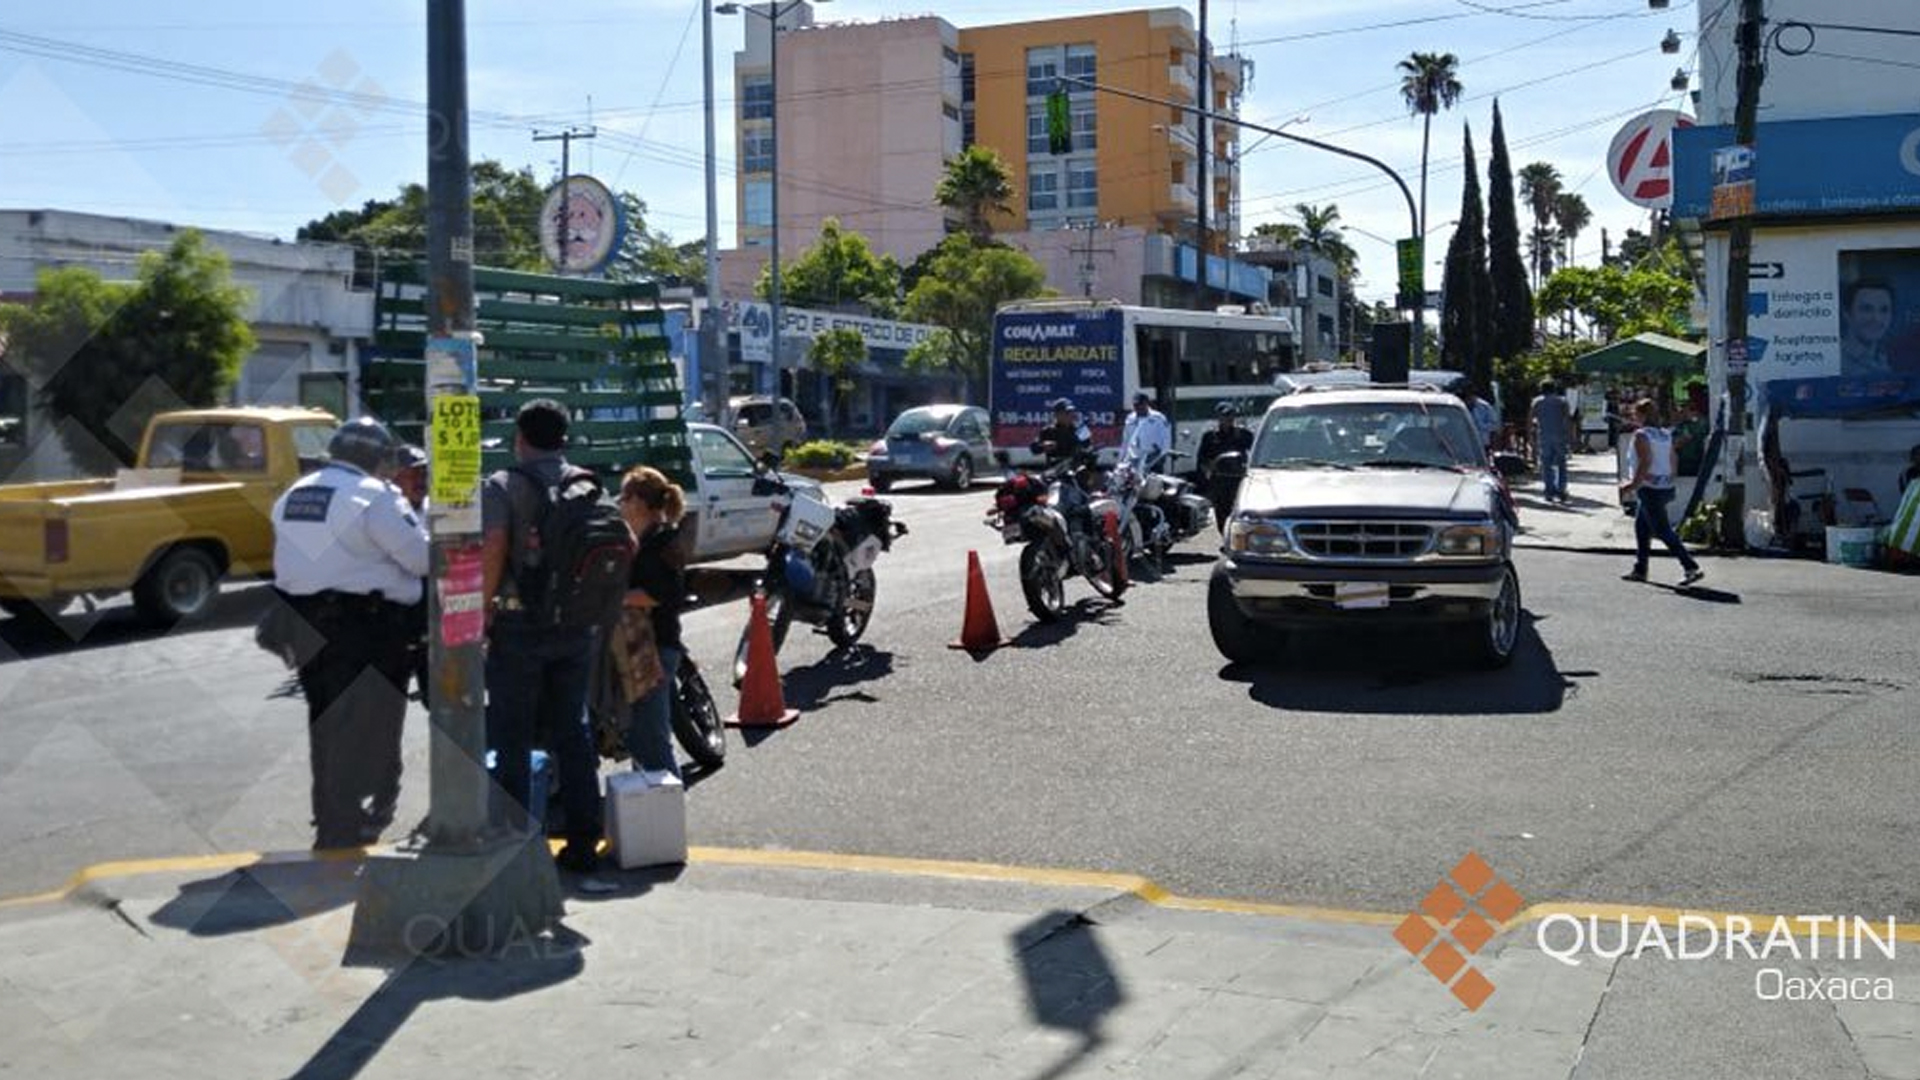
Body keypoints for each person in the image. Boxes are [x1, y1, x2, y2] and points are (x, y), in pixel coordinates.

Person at [270, 418, 428, 849]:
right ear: (376, 458)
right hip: (364, 627)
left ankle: (331, 819)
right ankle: (347, 825)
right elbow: (420, 559)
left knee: (326, 725)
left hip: (305, 624)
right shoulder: (373, 495)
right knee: (367, 727)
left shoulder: (296, 493)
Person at [481, 399, 605, 874]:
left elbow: (494, 546)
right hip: (576, 625)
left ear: (519, 438)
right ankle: (584, 841)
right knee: (573, 731)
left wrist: (483, 608)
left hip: (519, 625)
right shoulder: (586, 484)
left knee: (512, 735)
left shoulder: (503, 486)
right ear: (563, 438)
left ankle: (516, 847)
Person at [616, 467, 688, 779]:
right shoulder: (643, 540)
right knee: (643, 738)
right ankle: (650, 802)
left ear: (639, 502)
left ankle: (666, 801)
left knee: (651, 742)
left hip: (654, 648)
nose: (619, 503)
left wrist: (616, 598)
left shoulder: (661, 542)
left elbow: (661, 594)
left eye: (623, 497)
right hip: (644, 647)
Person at [1620, 398, 1705, 587]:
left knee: (1663, 530)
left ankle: (1690, 566)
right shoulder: (1665, 434)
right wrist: (1668, 477)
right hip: (1663, 486)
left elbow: (1645, 462)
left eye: (1635, 414)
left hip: (1648, 488)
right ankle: (1640, 569)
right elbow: (1673, 458)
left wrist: (1631, 485)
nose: (1633, 417)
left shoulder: (1641, 435)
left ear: (1642, 415)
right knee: (1642, 528)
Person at [392, 444, 431, 707]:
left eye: (423, 473)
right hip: (396, 616)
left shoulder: (434, 508)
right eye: (412, 474)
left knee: (437, 696)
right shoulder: (386, 511)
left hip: (428, 614)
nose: (420, 480)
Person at [1196, 402, 1255, 529]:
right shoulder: (1210, 436)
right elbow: (1202, 459)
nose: (1228, 419)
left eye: (1231, 415)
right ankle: (1224, 534)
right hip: (1219, 480)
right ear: (1218, 417)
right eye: (1225, 416)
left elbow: (1255, 454)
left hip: (1238, 478)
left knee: (1238, 511)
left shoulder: (1244, 434)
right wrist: (1206, 479)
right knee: (1221, 513)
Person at [1528, 382, 1574, 504]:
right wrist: (1571, 437)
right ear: (1554, 389)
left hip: (1544, 436)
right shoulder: (1562, 401)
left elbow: (1530, 419)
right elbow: (1568, 420)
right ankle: (1561, 489)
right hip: (1560, 436)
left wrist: (1530, 436)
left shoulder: (1537, 402)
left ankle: (1549, 490)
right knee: (1561, 464)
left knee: (1546, 464)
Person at [1839, 279, 1895, 375]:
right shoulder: (1835, 360)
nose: (1877, 318)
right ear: (1847, 314)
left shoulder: (1885, 359)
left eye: (1884, 310)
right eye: (1866, 309)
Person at [1121, 391, 1171, 470]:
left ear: (1147, 403)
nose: (1138, 407)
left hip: (1153, 458)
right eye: (1135, 405)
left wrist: (1163, 455)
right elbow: (1126, 440)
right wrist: (1122, 458)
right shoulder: (1130, 419)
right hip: (1135, 458)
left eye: (1140, 404)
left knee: (1153, 477)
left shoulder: (1158, 418)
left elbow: (1166, 439)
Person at [1031, 398, 1089, 465]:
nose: (1071, 415)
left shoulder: (1080, 430)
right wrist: (1043, 446)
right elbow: (1034, 449)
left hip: (1074, 467)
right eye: (1067, 413)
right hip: (1054, 468)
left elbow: (1088, 449)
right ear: (1057, 415)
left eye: (1072, 412)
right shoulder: (1048, 431)